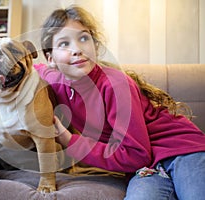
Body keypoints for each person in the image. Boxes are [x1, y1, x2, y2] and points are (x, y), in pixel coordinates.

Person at [33, 5, 205, 200]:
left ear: (95, 46)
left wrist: (69, 140)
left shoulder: (115, 85)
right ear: (51, 59)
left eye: (83, 38)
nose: (77, 50)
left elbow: (136, 154)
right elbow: (32, 67)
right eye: (64, 43)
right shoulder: (55, 79)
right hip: (146, 167)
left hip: (184, 150)